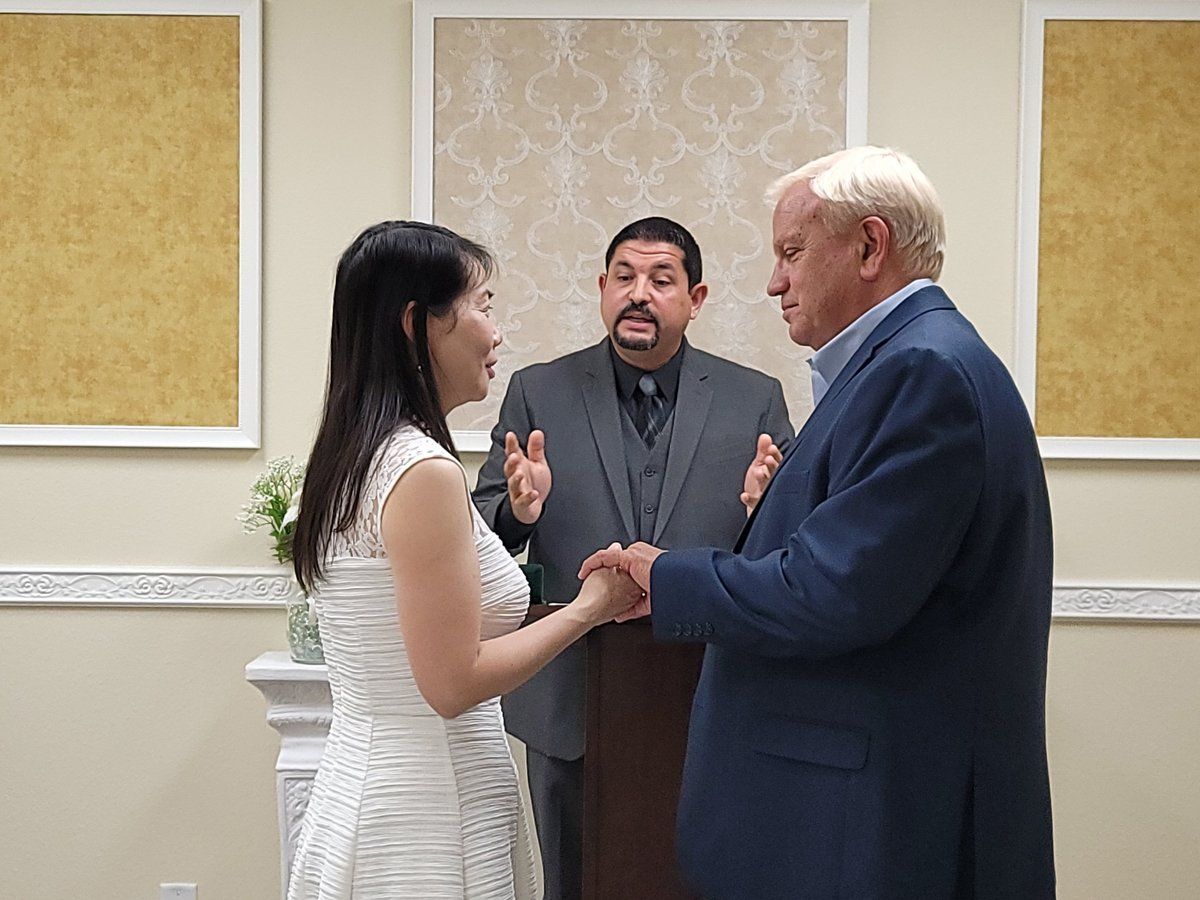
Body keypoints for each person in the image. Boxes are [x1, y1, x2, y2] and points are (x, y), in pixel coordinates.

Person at [581, 148, 1056, 898]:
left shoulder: (920, 371)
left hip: (873, 827)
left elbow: (835, 590)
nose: (775, 281)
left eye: (791, 253)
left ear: (870, 246)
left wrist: (666, 576)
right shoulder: (909, 363)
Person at [287, 221, 642, 899]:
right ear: (419, 323)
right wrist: (589, 609)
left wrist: (521, 517)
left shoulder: (358, 452)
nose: (497, 331)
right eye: (483, 305)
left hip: (376, 783)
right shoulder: (419, 469)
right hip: (425, 809)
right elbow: (452, 683)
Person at [473, 216, 794, 899]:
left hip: (706, 693)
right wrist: (518, 510)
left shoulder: (754, 397)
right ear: (601, 288)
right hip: (569, 702)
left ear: (696, 298)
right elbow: (482, 531)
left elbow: (791, 555)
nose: (638, 293)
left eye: (660, 279)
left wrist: (766, 510)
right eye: (624, 278)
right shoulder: (540, 391)